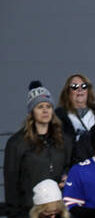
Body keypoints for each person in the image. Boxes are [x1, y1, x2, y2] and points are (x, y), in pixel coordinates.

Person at [5, 82, 70, 211]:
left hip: (57, 210)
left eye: (48, 106)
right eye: (40, 106)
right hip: (29, 210)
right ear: (31, 112)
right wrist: (15, 217)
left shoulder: (64, 140)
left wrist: (66, 177)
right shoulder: (17, 143)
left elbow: (69, 167)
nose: (45, 110)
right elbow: (11, 183)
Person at [55, 73, 95, 154]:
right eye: (75, 87)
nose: (80, 89)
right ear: (67, 92)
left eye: (84, 86)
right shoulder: (58, 116)